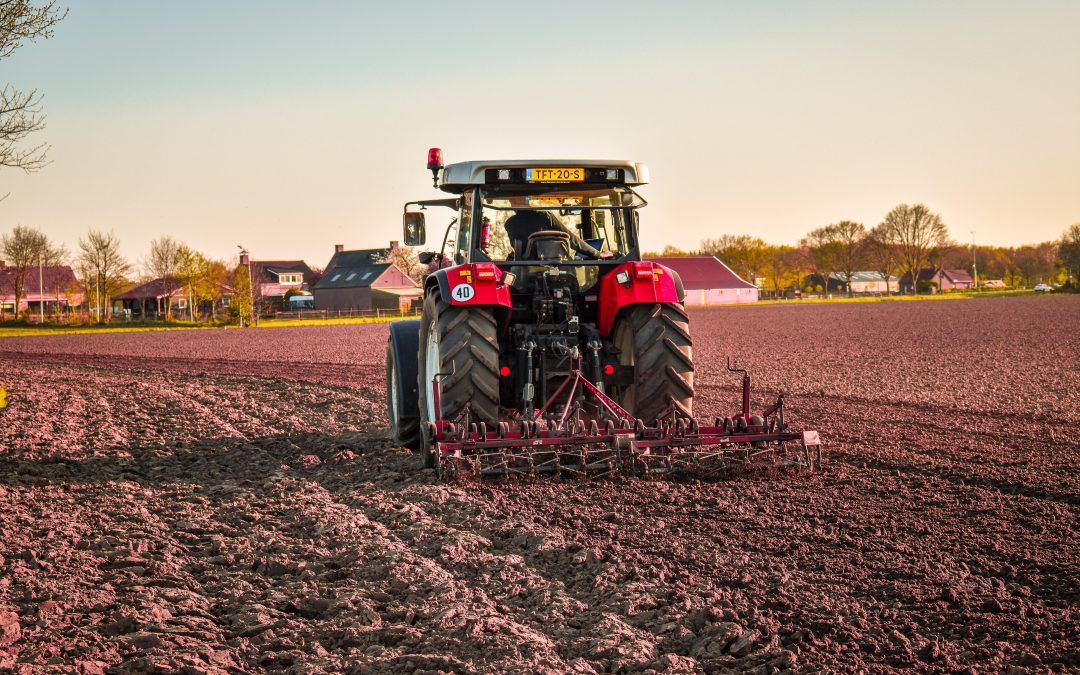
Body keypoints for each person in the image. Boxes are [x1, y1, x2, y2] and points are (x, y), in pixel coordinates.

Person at [502, 210, 610, 260]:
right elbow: (570, 238)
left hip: (525, 272)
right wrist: (597, 254)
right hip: (557, 266)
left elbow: (516, 247)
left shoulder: (510, 223)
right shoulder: (545, 216)